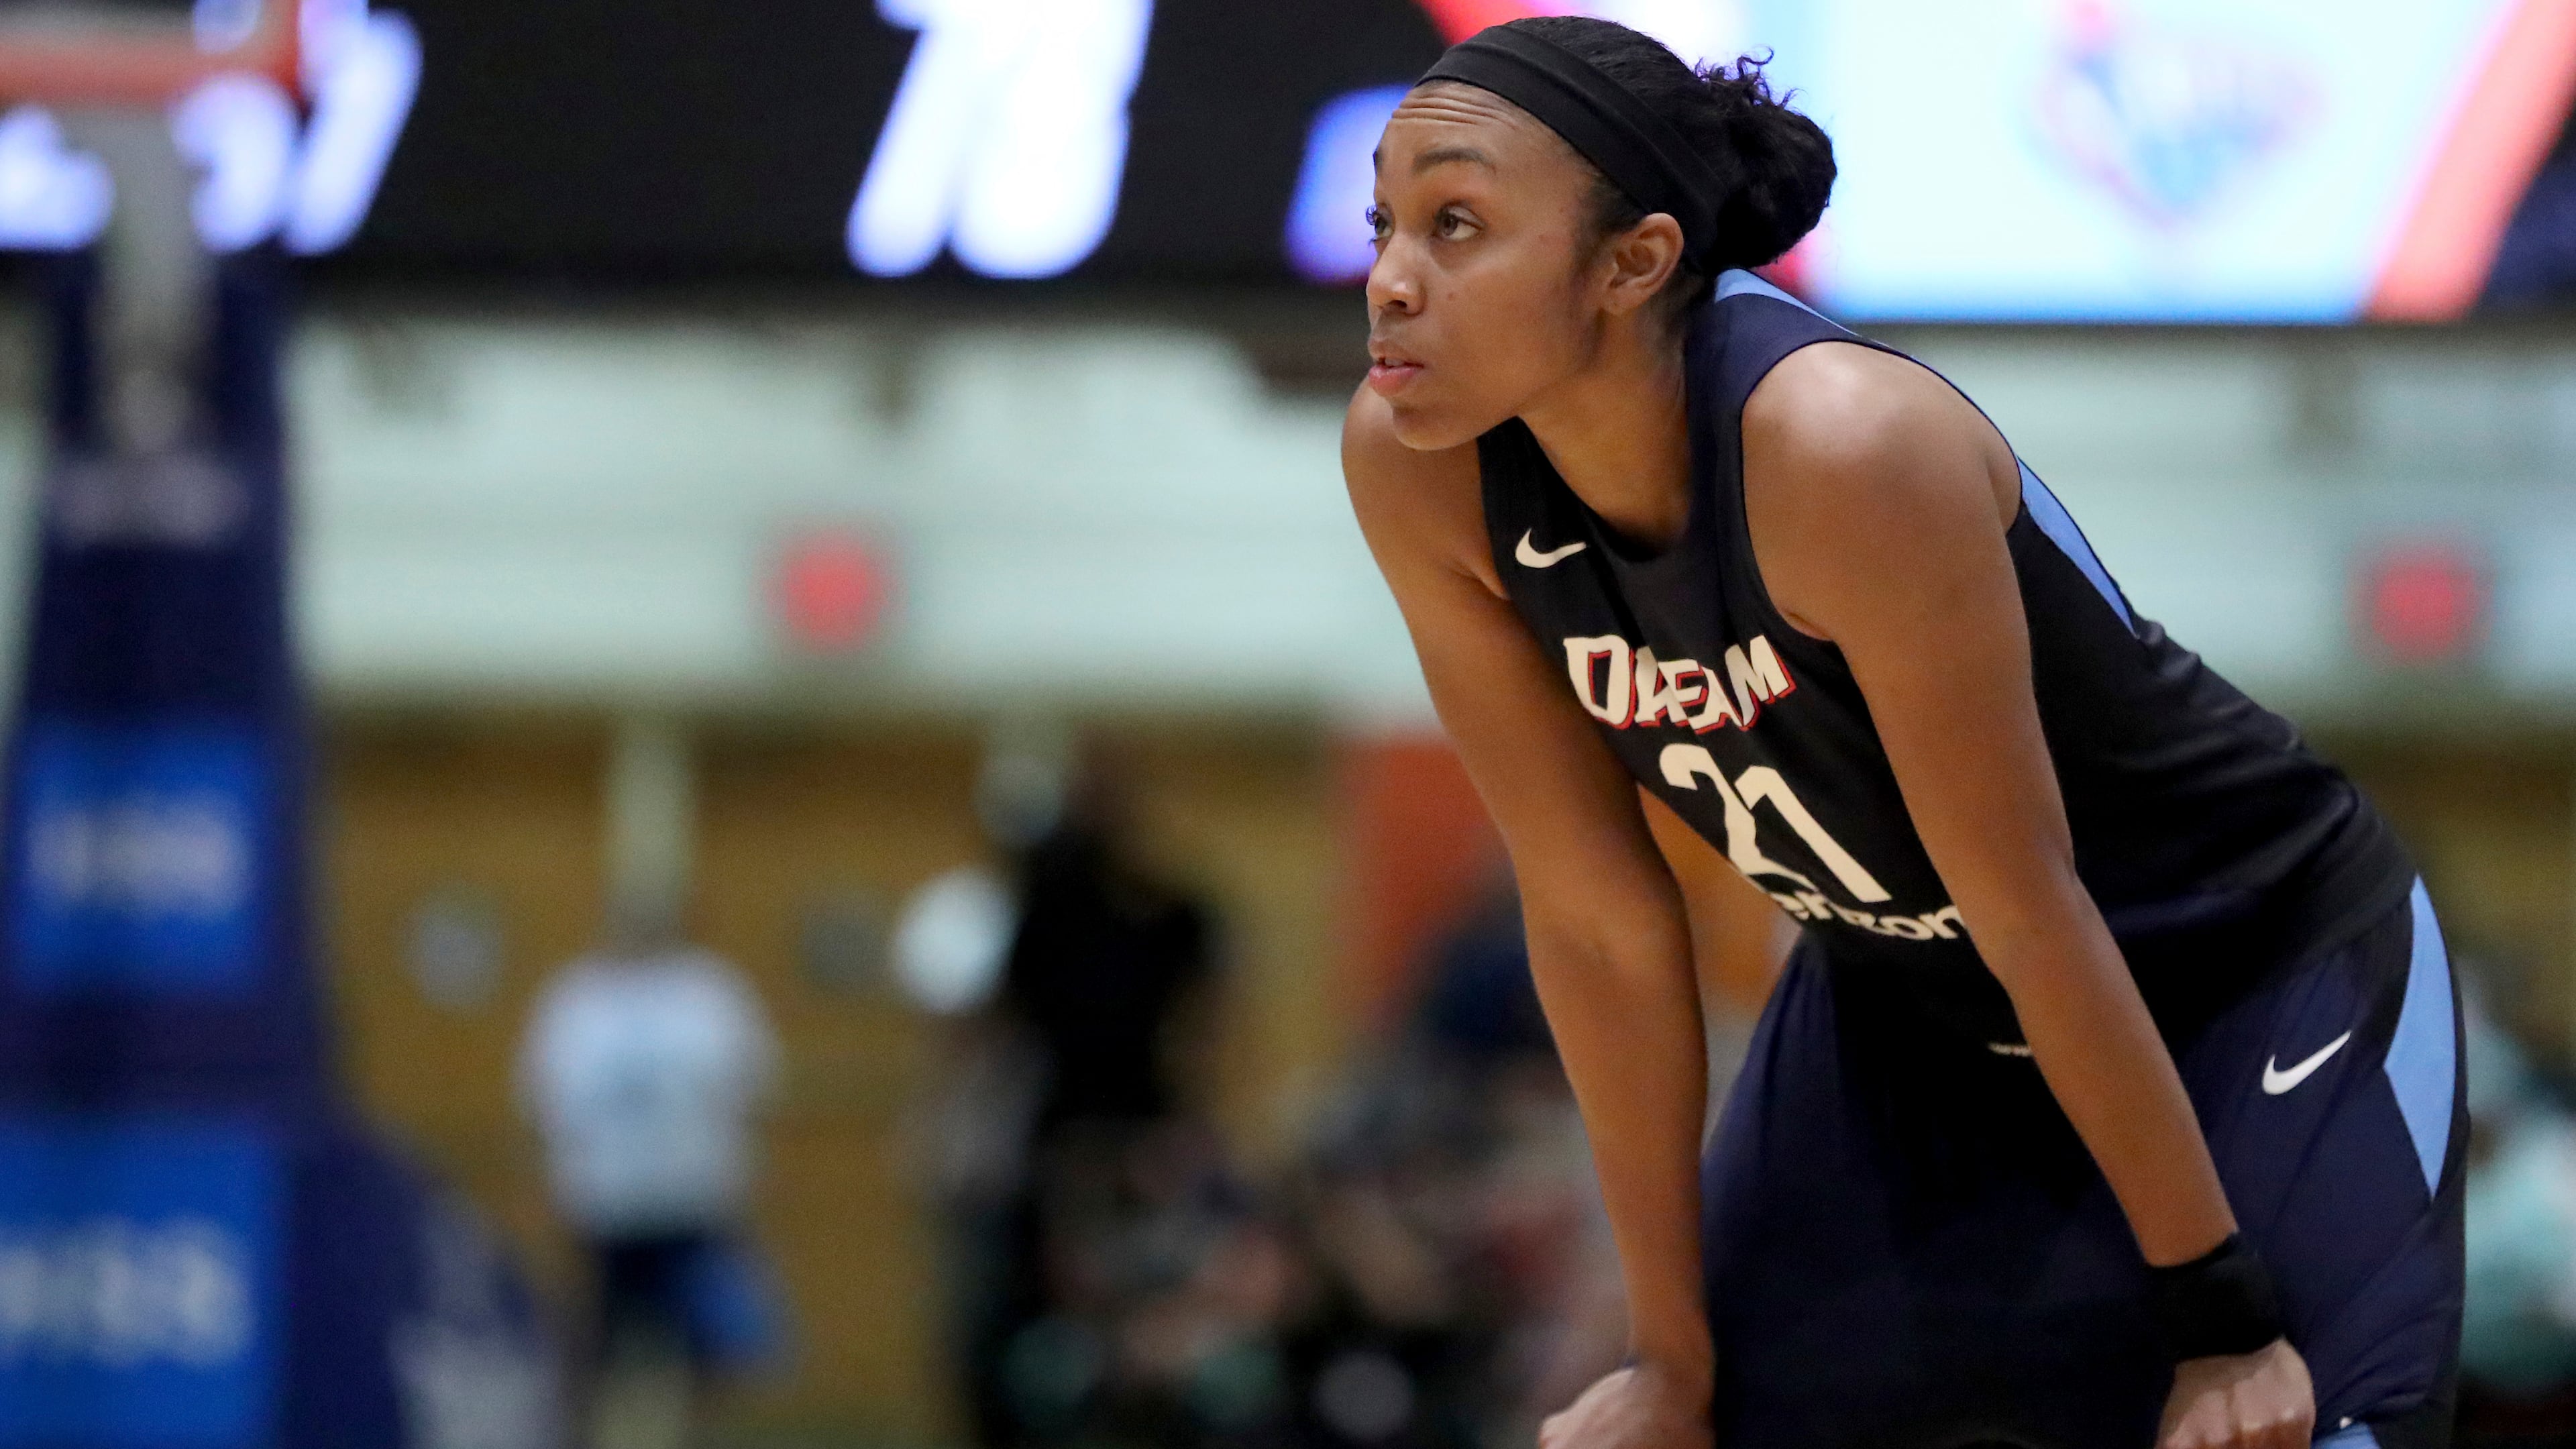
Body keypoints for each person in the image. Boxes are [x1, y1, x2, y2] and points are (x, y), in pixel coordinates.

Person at [1342, 17, 2461, 1449]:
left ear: (1634, 262)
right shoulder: (1417, 469)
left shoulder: (1842, 446)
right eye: (1386, 223)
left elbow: (2029, 901)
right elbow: (1597, 920)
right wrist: (1667, 1360)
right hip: (1907, 1001)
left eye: (1455, 224)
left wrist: (2220, 1317)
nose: (1389, 279)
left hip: (2244, 966)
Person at [517, 894, 784, 1434]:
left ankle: (696, 1436)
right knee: (592, 1344)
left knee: (708, 1348)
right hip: (604, 1206)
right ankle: (578, 1435)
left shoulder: (709, 994)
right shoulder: (578, 999)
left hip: (694, 1202)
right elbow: (541, 1098)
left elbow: (753, 1087)